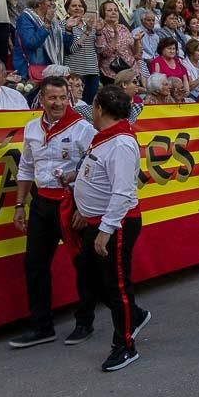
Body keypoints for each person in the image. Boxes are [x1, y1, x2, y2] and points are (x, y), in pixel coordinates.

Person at [8, 75, 99, 347]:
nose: (58, 103)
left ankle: (85, 322)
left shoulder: (83, 129)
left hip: (72, 203)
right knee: (34, 264)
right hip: (41, 203)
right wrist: (19, 204)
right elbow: (25, 168)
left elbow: (94, 169)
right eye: (52, 98)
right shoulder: (32, 128)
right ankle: (42, 326)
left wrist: (85, 208)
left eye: (63, 97)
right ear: (42, 100)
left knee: (82, 264)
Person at [69, 84, 151, 372]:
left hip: (114, 223)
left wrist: (106, 229)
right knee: (93, 278)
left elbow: (122, 192)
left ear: (100, 109)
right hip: (98, 220)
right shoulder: (106, 139)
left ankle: (125, 344)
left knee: (117, 285)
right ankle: (135, 316)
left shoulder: (121, 144)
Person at [14, 0, 71, 81]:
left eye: (53, 0)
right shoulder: (26, 18)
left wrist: (68, 29)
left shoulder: (53, 22)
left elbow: (66, 47)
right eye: (49, 0)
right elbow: (31, 43)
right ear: (38, 2)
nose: (52, 3)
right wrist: (46, 24)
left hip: (50, 71)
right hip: (29, 71)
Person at [95, 0, 140, 82]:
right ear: (103, 13)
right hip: (112, 74)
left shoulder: (123, 28)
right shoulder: (101, 29)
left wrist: (136, 40)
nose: (114, 12)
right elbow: (106, 53)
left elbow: (135, 52)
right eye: (109, 10)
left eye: (116, 10)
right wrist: (115, 34)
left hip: (131, 72)